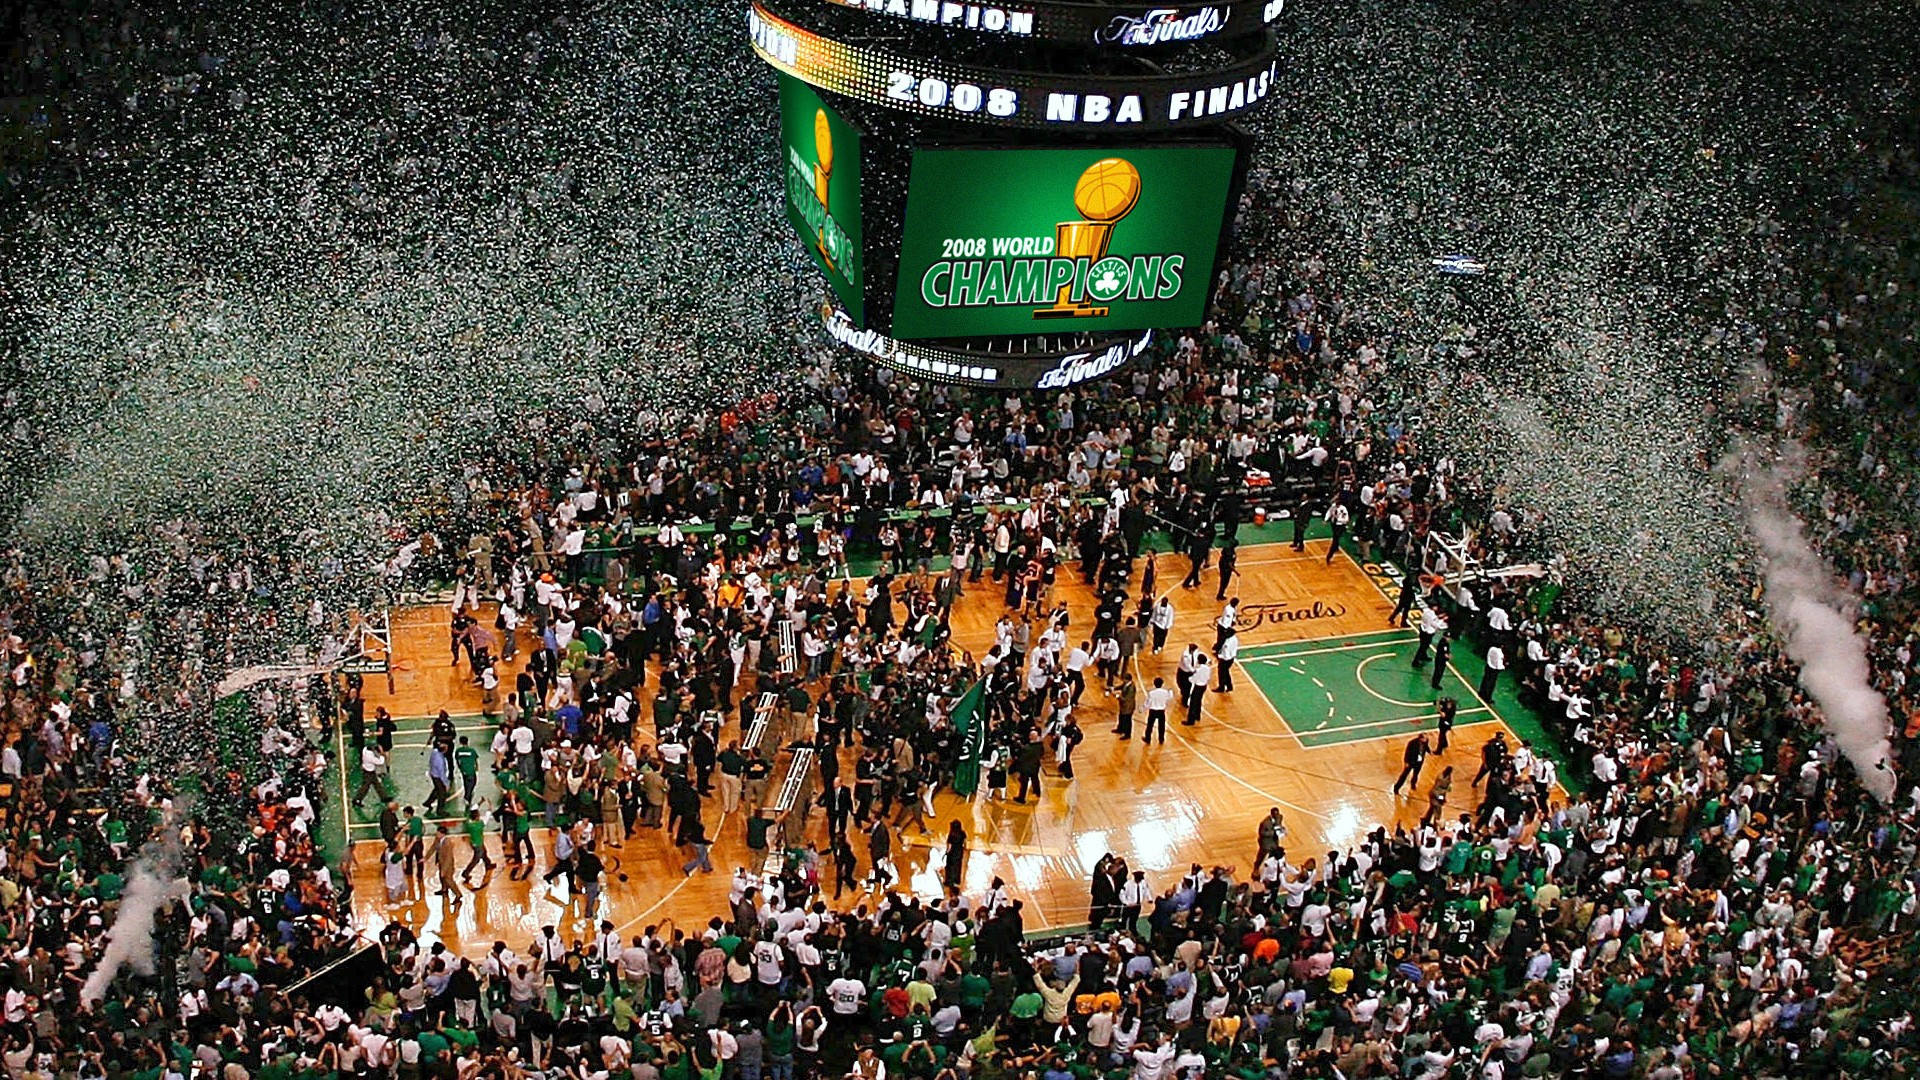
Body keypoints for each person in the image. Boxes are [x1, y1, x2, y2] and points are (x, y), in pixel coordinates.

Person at [1184, 653, 1211, 726]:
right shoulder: (1208, 668)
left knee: (1193, 703)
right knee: (1199, 701)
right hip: (1204, 686)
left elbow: (1193, 679)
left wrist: (1189, 679)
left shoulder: (1199, 670)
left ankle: (1191, 720)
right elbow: (1208, 677)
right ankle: (1197, 715)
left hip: (1198, 687)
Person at [1143, 678, 1173, 744]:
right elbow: (1170, 697)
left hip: (1153, 711)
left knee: (1150, 725)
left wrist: (1144, 709)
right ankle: (1161, 739)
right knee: (1161, 726)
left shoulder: (1151, 693)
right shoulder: (1165, 692)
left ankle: (1148, 738)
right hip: (1161, 711)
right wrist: (1170, 691)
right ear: (1162, 684)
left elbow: (1148, 703)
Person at [943, 820, 967, 892]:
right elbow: (965, 842)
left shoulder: (951, 834)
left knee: (950, 867)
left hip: (952, 853)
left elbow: (949, 846)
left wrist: (946, 853)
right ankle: (957, 880)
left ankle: (949, 881)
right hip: (959, 852)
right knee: (958, 866)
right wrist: (964, 849)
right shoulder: (962, 833)